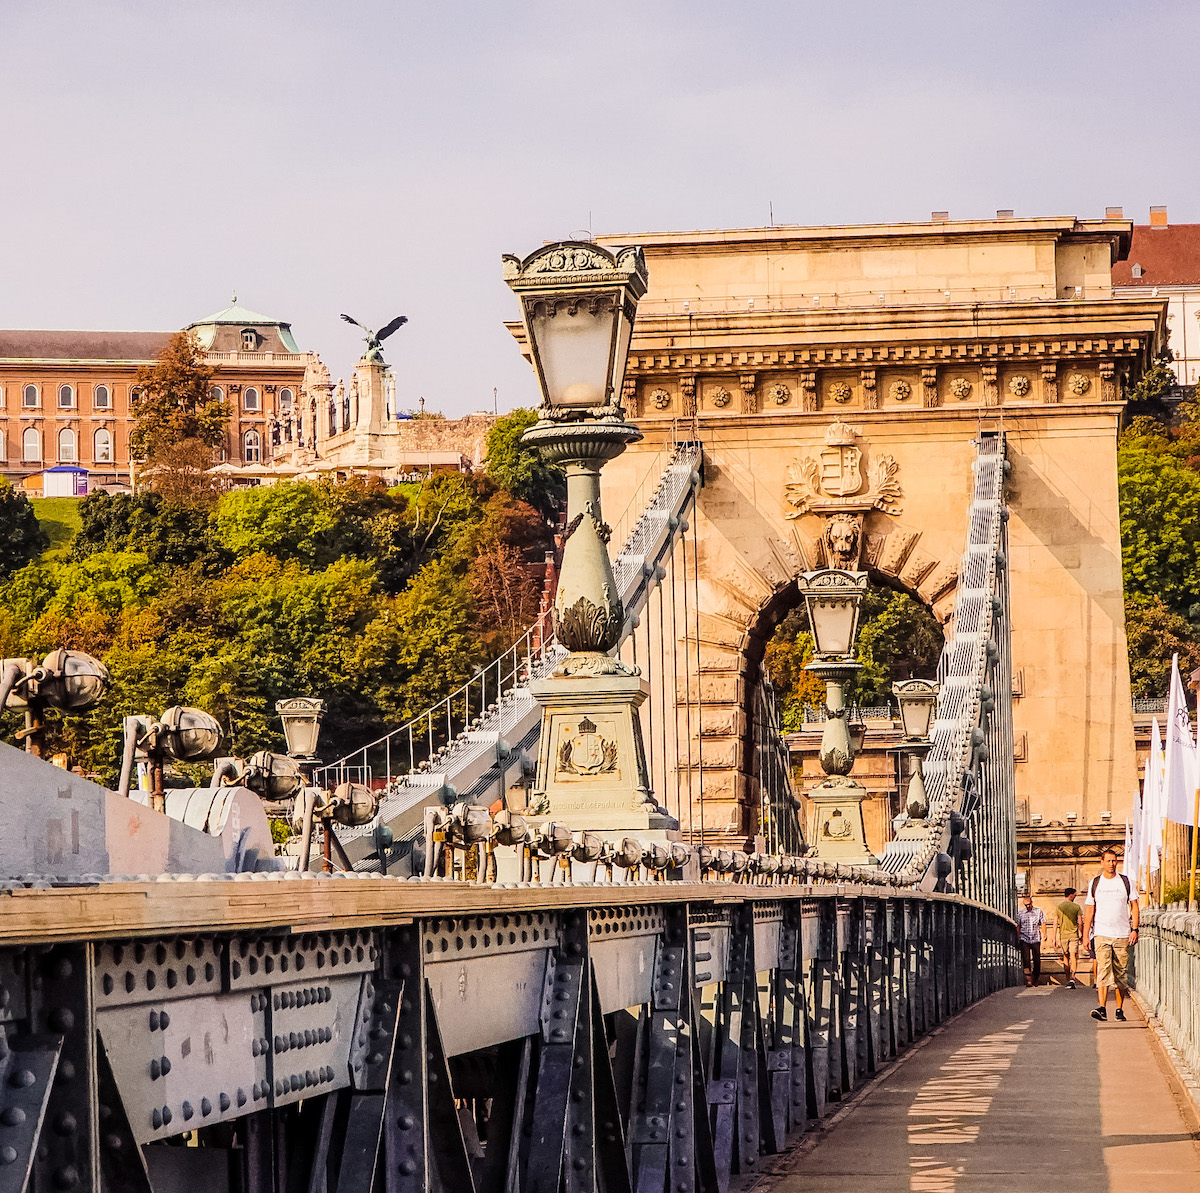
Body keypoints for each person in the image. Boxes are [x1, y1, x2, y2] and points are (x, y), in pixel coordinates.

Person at [1082, 848, 1139, 1022]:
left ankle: (1120, 1009)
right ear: (1102, 862)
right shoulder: (1095, 883)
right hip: (1101, 933)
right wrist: (1086, 935)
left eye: (1114, 861)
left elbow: (1135, 906)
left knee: (1121, 973)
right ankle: (1102, 1008)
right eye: (1108, 861)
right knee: (1103, 972)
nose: (1111, 864)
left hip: (1122, 933)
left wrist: (1134, 929)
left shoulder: (1125, 882)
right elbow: (1089, 910)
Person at [1016, 893, 1047, 986]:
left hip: (1035, 938)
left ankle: (1035, 977)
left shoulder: (1038, 911)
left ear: (1032, 903)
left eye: (1029, 904)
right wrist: (1017, 936)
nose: (1028, 906)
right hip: (1024, 937)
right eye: (1026, 905)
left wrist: (1044, 933)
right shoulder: (1020, 913)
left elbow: (1043, 923)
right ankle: (1028, 979)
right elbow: (1018, 925)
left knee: (1037, 959)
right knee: (1026, 959)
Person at [1054, 887, 1082, 989]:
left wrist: (1054, 938)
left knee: (1065, 957)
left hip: (1063, 936)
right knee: (1073, 956)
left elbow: (1055, 923)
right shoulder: (1076, 907)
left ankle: (1067, 979)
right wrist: (1082, 934)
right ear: (1071, 895)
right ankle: (1072, 978)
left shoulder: (1059, 907)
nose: (1075, 897)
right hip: (1073, 935)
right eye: (1075, 895)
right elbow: (1080, 922)